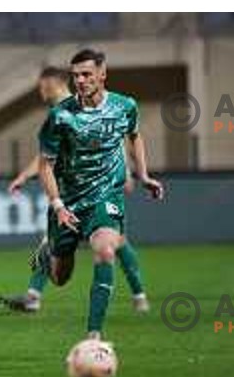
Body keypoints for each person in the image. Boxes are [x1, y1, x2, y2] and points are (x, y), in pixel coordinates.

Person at [0, 67, 150, 314]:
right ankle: (139, 296)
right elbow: (48, 155)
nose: (40, 91)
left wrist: (128, 172)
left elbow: (113, 136)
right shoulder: (63, 111)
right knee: (107, 241)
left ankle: (138, 295)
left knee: (111, 241)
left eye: (42, 86)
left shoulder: (70, 108)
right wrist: (26, 176)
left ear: (54, 83)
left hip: (96, 185)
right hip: (73, 189)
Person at [38, 49, 163, 341]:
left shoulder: (124, 106)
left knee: (107, 248)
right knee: (59, 277)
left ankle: (93, 335)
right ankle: (48, 252)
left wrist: (143, 174)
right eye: (75, 76)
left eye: (86, 75)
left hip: (106, 196)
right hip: (68, 203)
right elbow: (45, 166)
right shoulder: (60, 116)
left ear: (102, 74)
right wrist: (57, 206)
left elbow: (134, 135)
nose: (80, 81)